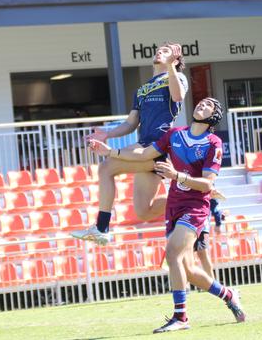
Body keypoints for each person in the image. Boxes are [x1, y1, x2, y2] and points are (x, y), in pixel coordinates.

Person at [89, 97, 245, 333]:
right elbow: (144, 155)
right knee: (189, 270)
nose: (201, 105)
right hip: (174, 204)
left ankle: (181, 317)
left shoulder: (213, 142)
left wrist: (176, 176)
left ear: (214, 117)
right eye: (201, 102)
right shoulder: (175, 134)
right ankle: (229, 294)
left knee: (172, 254)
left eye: (208, 106)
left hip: (195, 206)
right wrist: (111, 151)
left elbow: (207, 184)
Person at [71, 42, 188, 245]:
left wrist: (171, 67)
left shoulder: (177, 77)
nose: (160, 51)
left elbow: (178, 96)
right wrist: (106, 134)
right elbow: (130, 123)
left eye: (166, 51)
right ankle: (192, 197)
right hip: (144, 146)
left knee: (106, 167)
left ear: (175, 59)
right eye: (159, 50)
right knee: (144, 211)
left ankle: (101, 228)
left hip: (158, 146)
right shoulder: (142, 90)